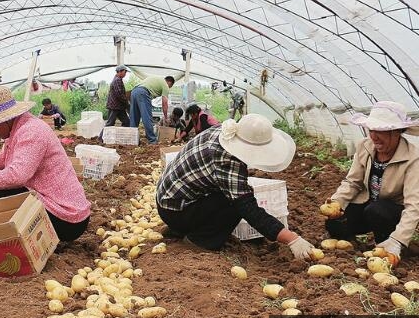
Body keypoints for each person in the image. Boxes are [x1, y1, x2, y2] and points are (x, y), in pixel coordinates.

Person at [156, 114, 314, 259]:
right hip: (175, 209)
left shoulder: (225, 132)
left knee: (230, 195)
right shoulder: (227, 159)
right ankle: (199, 240)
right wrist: (291, 239)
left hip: (169, 199)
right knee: (234, 205)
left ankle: (179, 229)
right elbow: (248, 209)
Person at [0, 86, 91, 242]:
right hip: (55, 206)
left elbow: (17, 175)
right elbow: (2, 160)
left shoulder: (32, 131)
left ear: (4, 118)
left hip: (67, 218)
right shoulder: (18, 129)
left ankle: (32, 239)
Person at [322, 101, 419, 266]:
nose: (373, 136)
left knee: (378, 210)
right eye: (371, 130)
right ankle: (355, 248)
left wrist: (398, 240)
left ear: (396, 132)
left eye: (380, 131)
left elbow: (413, 206)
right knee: (334, 223)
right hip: (368, 206)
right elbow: (352, 182)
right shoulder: (365, 146)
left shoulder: (413, 158)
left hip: (392, 213)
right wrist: (337, 203)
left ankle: (392, 247)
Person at [129, 75, 175, 144]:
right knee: (147, 117)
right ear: (170, 83)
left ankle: (132, 139)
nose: (169, 88)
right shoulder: (165, 85)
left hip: (134, 92)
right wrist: (165, 117)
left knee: (134, 117)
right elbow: (164, 103)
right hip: (143, 93)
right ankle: (152, 140)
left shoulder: (156, 79)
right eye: (170, 87)